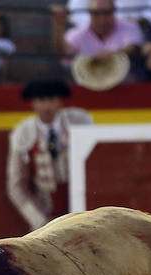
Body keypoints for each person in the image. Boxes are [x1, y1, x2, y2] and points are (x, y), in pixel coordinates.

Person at [6, 79, 93, 231]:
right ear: (33, 103)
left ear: (60, 101)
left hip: (82, 205)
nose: (46, 106)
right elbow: (16, 186)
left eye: (52, 100)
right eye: (41, 100)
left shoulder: (79, 121)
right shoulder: (23, 133)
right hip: (46, 208)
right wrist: (40, 220)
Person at [56, 0, 144, 80]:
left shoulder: (129, 27)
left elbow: (133, 48)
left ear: (114, 11)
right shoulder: (77, 34)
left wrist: (112, 55)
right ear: (90, 13)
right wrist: (58, 25)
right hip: (88, 91)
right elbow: (63, 52)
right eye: (97, 14)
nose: (102, 20)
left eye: (107, 13)